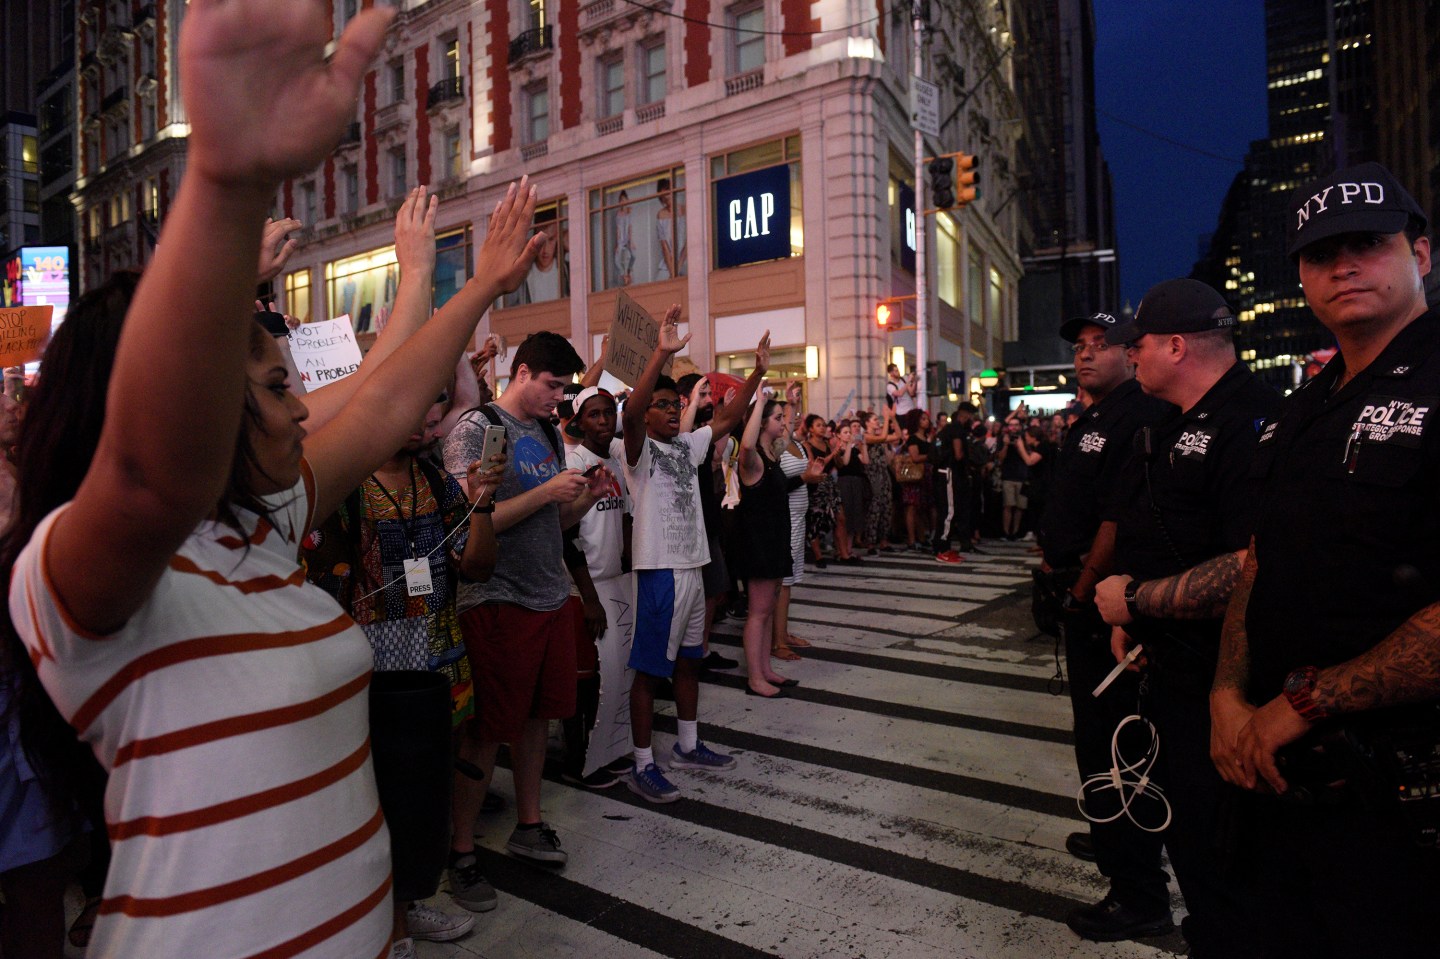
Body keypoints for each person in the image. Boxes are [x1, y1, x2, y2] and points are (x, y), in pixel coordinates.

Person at [4, 3, 545, 955]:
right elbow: (147, 478)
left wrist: (475, 284)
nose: (302, 409)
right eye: (268, 386)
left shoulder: (257, 523)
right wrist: (228, 179)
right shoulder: (78, 575)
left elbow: (382, 406)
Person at [1209, 162, 1440, 958]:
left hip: (1405, 803)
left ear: (1421, 255)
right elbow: (1258, 561)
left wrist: (1300, 705)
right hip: (1276, 789)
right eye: (1319, 253)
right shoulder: (1304, 405)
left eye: (1367, 244)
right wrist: (1226, 692)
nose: (1342, 265)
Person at [1087, 279, 1280, 956]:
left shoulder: (1252, 420)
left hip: (1227, 688)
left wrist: (1138, 599)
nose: (1130, 357)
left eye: (1136, 345)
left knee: (1231, 865)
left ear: (1175, 345)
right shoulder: (1169, 420)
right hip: (1168, 672)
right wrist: (1138, 622)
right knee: (1195, 850)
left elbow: (1250, 564)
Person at [442, 331, 611, 866]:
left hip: (546, 593)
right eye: (553, 385)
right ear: (521, 373)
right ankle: (462, 847)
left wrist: (585, 500)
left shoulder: (543, 429)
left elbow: (552, 522)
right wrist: (546, 491)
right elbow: (468, 524)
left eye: (564, 388)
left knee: (539, 720)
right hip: (496, 597)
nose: (560, 398)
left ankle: (530, 822)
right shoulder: (478, 429)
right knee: (488, 730)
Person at [1034, 311, 1172, 937]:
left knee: (1117, 740)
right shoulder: (1092, 416)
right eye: (1080, 348)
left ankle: (1138, 892)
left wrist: (1084, 586)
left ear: (1131, 353)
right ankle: (1111, 836)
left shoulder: (1136, 413)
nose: (1086, 356)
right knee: (1095, 736)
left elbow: (1117, 518)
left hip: (1103, 605)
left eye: (1101, 346)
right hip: (1077, 592)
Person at [620, 309, 766, 802]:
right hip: (659, 571)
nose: (665, 410)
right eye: (658, 404)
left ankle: (687, 744)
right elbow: (630, 411)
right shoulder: (636, 450)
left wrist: (759, 372)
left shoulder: (688, 445)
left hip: (693, 569)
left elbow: (727, 416)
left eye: (671, 404)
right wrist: (663, 352)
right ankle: (642, 765)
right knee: (649, 671)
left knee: (689, 662)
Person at [562, 387, 638, 790]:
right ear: (579, 421)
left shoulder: (615, 462)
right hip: (582, 592)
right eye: (594, 414)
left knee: (609, 675)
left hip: (612, 586)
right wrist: (589, 599)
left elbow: (622, 520)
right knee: (582, 680)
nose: (604, 421)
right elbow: (566, 536)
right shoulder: (574, 465)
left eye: (609, 413)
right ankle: (577, 762)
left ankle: (602, 751)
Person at [734, 394, 802, 697]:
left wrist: (792, 405)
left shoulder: (773, 455)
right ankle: (754, 677)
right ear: (761, 422)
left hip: (775, 541)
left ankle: (764, 669)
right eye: (777, 418)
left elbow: (793, 436)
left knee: (768, 610)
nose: (783, 423)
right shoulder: (753, 459)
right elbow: (745, 445)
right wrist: (758, 401)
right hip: (758, 544)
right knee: (758, 613)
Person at [930, 402, 977, 563]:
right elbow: (958, 454)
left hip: (944, 474)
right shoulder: (957, 429)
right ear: (966, 415)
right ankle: (942, 548)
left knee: (948, 511)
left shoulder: (947, 429)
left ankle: (945, 546)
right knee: (949, 512)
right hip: (949, 474)